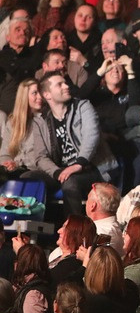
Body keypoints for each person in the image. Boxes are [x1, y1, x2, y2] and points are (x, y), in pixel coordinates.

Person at [28, 71, 115, 213]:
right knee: (28, 177)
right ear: (47, 95)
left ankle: (74, 231)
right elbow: (40, 156)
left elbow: (91, 136)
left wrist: (79, 164)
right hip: (61, 171)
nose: (66, 86)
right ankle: (27, 226)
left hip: (91, 169)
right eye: (59, 84)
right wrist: (56, 172)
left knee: (70, 182)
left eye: (65, 83)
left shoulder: (83, 107)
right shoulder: (40, 120)